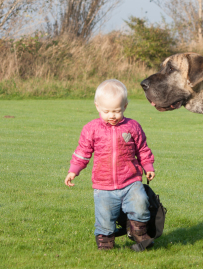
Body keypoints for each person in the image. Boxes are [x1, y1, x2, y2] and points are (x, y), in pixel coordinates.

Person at [64, 79, 155, 250]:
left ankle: (139, 231)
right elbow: (82, 152)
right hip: (103, 184)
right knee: (105, 217)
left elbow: (143, 149)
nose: (112, 115)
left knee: (141, 203)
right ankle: (105, 244)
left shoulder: (132, 127)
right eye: (106, 111)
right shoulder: (91, 129)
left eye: (116, 111)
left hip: (130, 180)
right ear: (97, 106)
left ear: (125, 106)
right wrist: (73, 171)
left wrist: (148, 166)